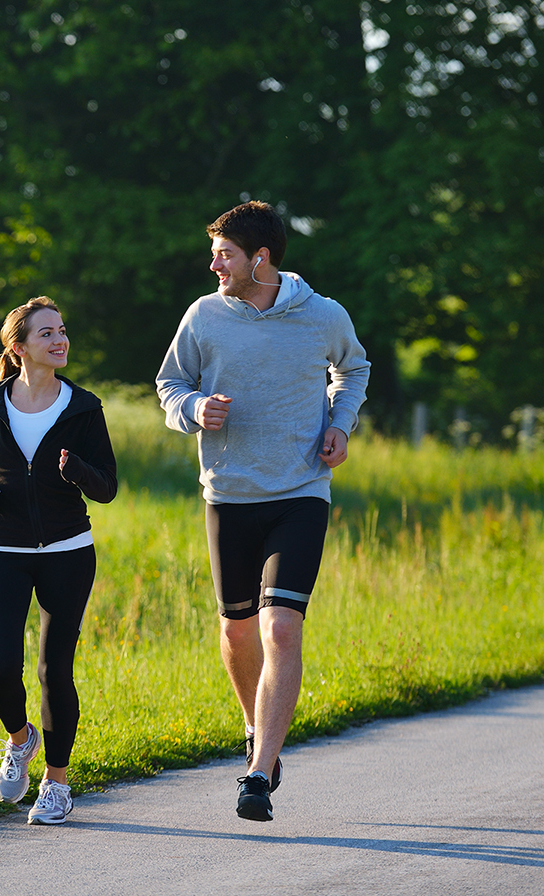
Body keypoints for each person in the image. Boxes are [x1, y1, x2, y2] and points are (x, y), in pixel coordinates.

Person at [155, 201, 369, 822]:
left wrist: (340, 424)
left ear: (261, 258)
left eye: (224, 253)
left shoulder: (322, 315)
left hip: (300, 492)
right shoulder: (203, 316)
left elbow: (353, 368)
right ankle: (258, 733)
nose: (214, 264)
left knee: (281, 627)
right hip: (228, 494)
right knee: (237, 628)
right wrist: (194, 409)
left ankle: (257, 772)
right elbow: (170, 384)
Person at [0, 296, 118, 826]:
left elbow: (108, 487)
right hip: (1, 547)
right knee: (0, 670)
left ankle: (56, 782)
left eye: (63, 331)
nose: (60, 340)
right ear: (19, 346)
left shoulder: (83, 407)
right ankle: (19, 739)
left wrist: (78, 474)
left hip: (67, 552)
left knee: (55, 671)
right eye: (46, 333)